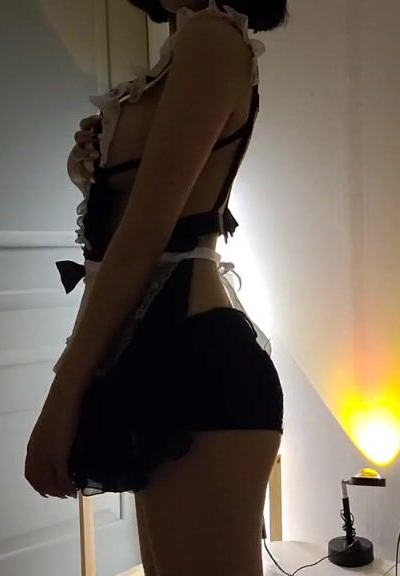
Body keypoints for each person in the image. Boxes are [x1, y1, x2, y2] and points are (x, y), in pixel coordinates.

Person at [25, 1, 288, 574]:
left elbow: (145, 237)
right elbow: (131, 229)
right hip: (163, 356)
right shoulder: (188, 48)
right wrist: (96, 173)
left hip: (199, 366)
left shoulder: (213, 40)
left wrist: (64, 394)